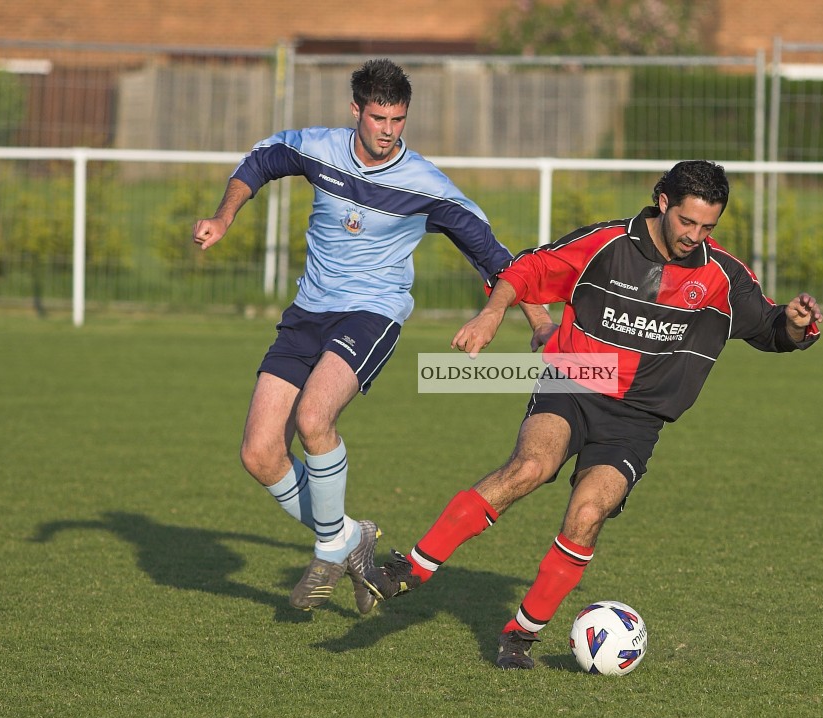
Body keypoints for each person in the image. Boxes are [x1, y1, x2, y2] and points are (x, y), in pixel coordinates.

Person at [362, 159, 822, 668]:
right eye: (687, 222)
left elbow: (774, 331)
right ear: (663, 201)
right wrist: (492, 314)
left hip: (638, 419)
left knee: (587, 514)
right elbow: (529, 269)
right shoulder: (606, 245)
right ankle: (410, 568)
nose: (695, 235)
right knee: (531, 467)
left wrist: (798, 325)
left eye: (707, 227)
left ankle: (519, 636)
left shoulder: (722, 277)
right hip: (575, 383)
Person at [192, 59, 553, 614]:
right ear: (355, 110)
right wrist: (224, 216)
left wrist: (540, 322)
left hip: (372, 314)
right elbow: (260, 160)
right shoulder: (320, 149)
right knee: (260, 454)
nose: (387, 130)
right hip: (307, 312)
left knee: (314, 421)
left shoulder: (426, 185)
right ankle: (348, 539)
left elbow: (495, 256)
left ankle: (328, 548)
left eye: (398, 119)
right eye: (378, 117)